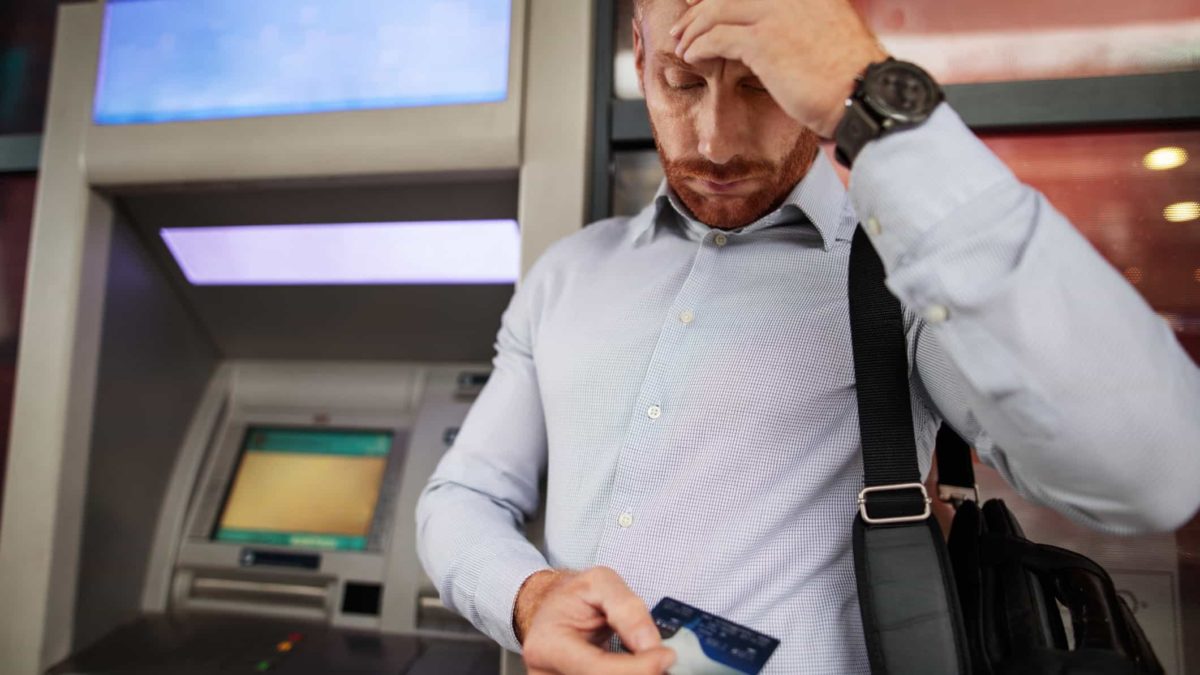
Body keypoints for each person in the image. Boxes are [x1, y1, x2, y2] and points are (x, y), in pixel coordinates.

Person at [416, 0, 1200, 673]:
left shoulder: (902, 269)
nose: (715, 141)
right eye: (681, 83)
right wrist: (527, 596)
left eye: (759, 85)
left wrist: (879, 103)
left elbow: (1154, 468)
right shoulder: (567, 273)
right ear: (641, 55)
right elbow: (464, 494)